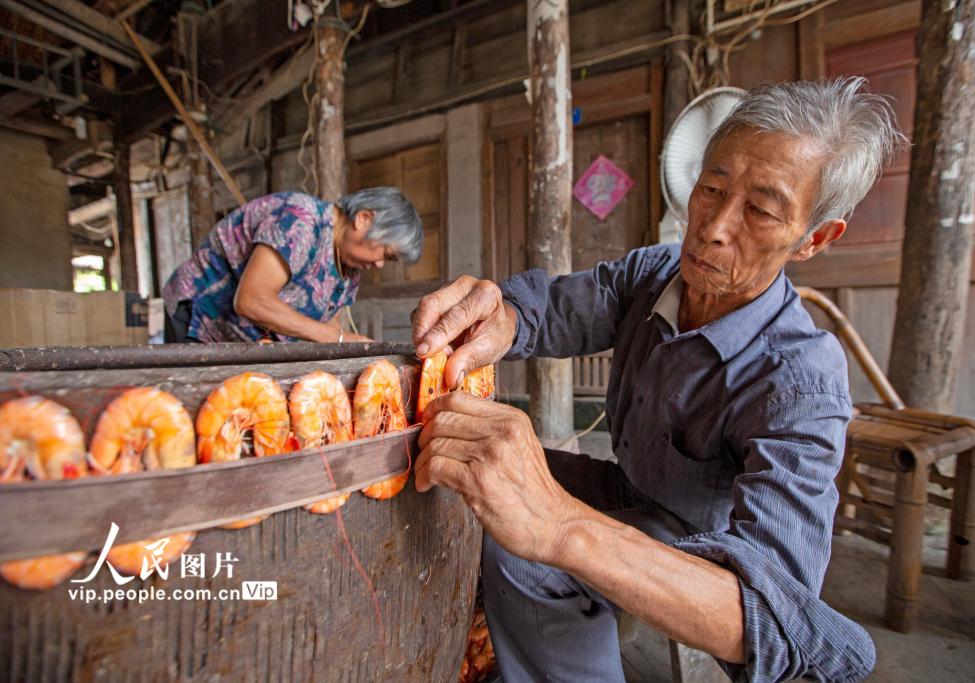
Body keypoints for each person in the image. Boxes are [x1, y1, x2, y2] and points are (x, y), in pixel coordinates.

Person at [410, 78, 905, 682]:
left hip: (701, 548)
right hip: (632, 490)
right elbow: (554, 310)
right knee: (465, 458)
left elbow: (773, 620)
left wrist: (560, 525)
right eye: (712, 189)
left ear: (815, 238)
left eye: (761, 211)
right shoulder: (657, 273)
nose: (714, 226)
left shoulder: (800, 378)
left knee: (527, 555)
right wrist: (501, 316)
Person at [162, 187, 422, 343]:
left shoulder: (349, 266)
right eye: (385, 254)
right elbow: (251, 300)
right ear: (364, 219)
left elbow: (328, 324)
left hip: (249, 341)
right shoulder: (299, 221)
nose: (378, 264)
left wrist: (349, 346)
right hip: (200, 319)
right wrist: (337, 339)